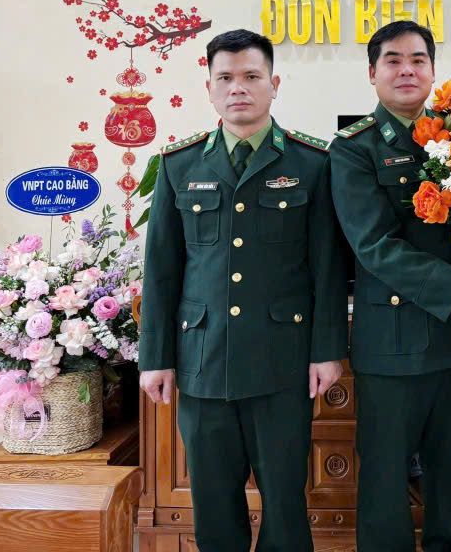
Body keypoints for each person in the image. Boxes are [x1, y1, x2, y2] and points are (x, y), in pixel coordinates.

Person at [138, 29, 349, 552]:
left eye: (252, 76)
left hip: (283, 362)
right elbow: (161, 270)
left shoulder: (312, 163)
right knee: (212, 502)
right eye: (226, 78)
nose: (239, 88)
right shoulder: (179, 164)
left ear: (274, 85)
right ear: (209, 88)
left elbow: (327, 267)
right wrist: (155, 358)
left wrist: (327, 350)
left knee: (284, 500)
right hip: (203, 360)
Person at [329, 19, 451, 552]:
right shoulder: (354, 149)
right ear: (372, 73)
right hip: (393, 343)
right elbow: (374, 246)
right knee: (386, 478)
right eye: (393, 60)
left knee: (449, 474)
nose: (406, 70)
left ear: (433, 71)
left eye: (418, 60)